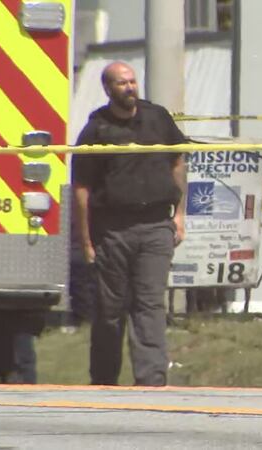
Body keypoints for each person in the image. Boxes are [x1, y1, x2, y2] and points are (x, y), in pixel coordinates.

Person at [73, 61, 187, 386]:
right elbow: (81, 188)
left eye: (132, 81)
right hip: (113, 230)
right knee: (110, 311)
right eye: (122, 83)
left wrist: (179, 215)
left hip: (155, 226)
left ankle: (151, 379)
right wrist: (86, 242)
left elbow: (177, 162)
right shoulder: (95, 130)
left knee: (150, 303)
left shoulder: (157, 118)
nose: (130, 88)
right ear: (108, 89)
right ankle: (105, 380)